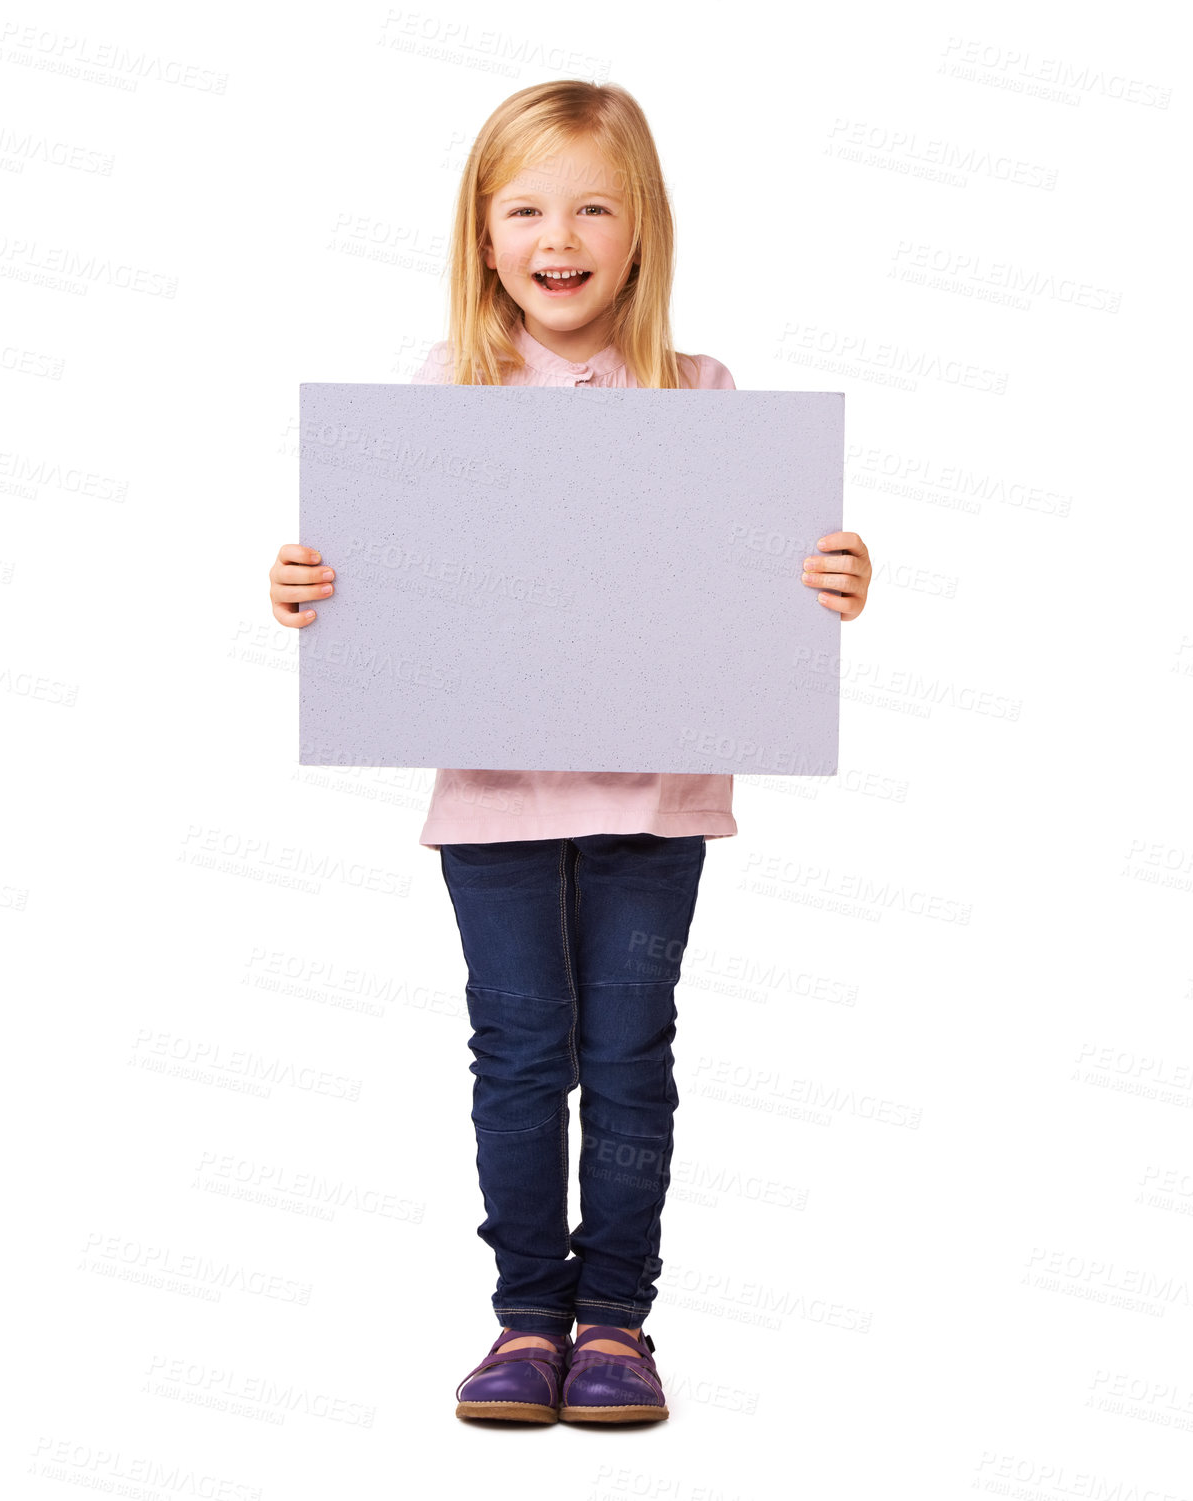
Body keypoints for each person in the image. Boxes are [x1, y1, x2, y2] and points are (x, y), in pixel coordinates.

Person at [268, 79, 871, 1425]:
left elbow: (767, 573)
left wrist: (831, 576)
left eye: (595, 205)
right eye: (529, 208)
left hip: (654, 793)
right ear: (484, 237)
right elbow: (380, 572)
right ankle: (527, 1320)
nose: (562, 235)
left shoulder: (699, 390)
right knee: (522, 1050)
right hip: (492, 796)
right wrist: (313, 585)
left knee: (632, 1050)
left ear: (640, 228)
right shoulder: (443, 389)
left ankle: (618, 1324)